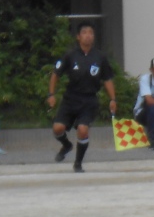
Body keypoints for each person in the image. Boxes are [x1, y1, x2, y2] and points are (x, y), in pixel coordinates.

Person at [47, 21, 117, 172]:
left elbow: (107, 79)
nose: (88, 36)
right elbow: (55, 74)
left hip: (89, 100)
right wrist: (51, 94)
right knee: (58, 128)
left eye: (90, 33)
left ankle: (78, 163)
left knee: (83, 130)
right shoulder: (70, 55)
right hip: (70, 98)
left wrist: (113, 99)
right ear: (78, 37)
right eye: (84, 33)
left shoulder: (100, 57)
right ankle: (67, 145)